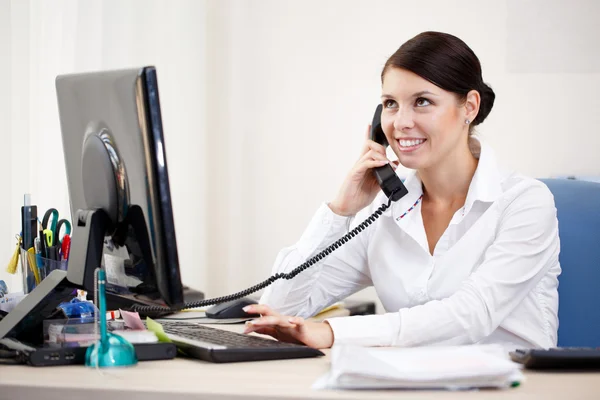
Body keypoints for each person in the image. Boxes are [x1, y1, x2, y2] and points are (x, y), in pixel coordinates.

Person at [243, 31, 560, 350]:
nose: (401, 122)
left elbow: (472, 315)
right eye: (390, 104)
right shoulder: (384, 210)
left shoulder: (524, 202)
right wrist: (340, 211)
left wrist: (333, 332)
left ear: (470, 107)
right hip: (412, 384)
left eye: (422, 102)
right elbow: (281, 306)